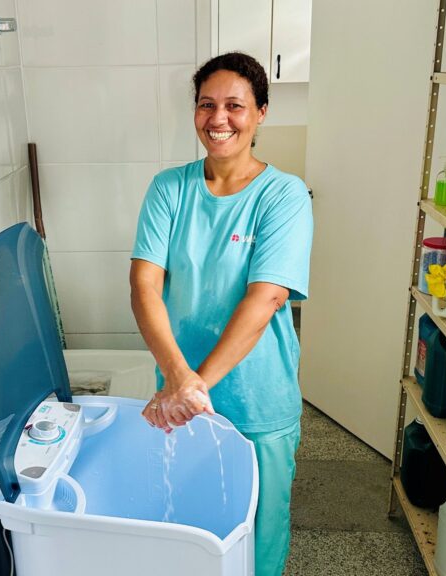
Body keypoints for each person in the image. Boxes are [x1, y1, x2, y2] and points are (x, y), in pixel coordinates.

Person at [129, 52, 313, 576]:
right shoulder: (170, 189)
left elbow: (266, 299)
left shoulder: (284, 196)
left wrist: (193, 387)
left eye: (235, 105)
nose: (218, 119)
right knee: (187, 519)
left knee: (258, 527)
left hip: (256, 398)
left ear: (261, 113)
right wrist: (178, 377)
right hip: (180, 392)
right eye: (207, 104)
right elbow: (144, 286)